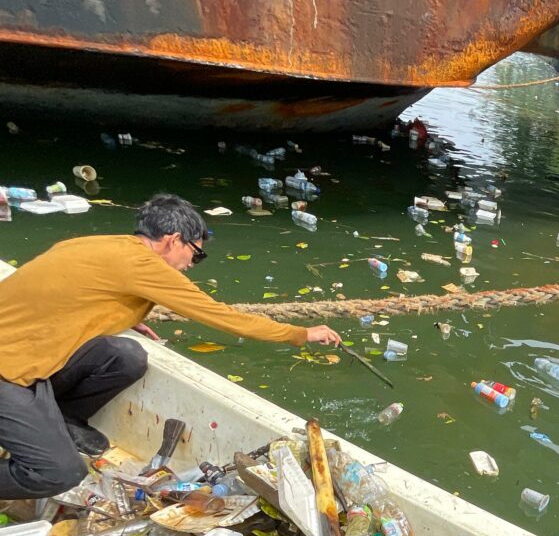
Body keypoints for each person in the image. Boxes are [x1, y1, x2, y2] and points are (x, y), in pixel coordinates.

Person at [0, 193, 342, 500]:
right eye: (195, 254)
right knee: (61, 473)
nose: (191, 265)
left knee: (127, 356)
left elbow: (70, 292)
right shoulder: (144, 265)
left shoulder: (98, 246)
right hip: (8, 374)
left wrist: (116, 313)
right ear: (173, 240)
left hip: (22, 355)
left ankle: (65, 418)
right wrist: (300, 334)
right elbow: (222, 316)